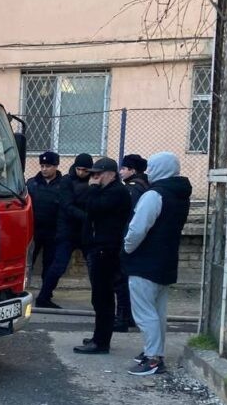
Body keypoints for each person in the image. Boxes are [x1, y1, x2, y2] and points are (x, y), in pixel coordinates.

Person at [122, 152, 192, 376]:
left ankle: (153, 359)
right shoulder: (180, 193)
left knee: (144, 312)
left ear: (160, 169)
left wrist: (127, 247)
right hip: (166, 258)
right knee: (158, 311)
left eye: (151, 168)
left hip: (145, 260)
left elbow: (138, 228)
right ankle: (155, 352)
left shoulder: (154, 195)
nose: (148, 172)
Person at [74, 157, 132, 354]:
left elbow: (94, 207)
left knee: (103, 296)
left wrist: (92, 188)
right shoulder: (104, 191)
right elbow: (83, 203)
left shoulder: (117, 192)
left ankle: (101, 342)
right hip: (98, 247)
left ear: (112, 174)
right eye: (93, 173)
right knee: (99, 297)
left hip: (106, 249)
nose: (95, 177)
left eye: (99, 173)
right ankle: (99, 336)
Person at [35, 152, 93, 308]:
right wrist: (88, 217)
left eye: (85, 170)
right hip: (67, 231)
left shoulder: (92, 181)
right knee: (58, 266)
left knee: (94, 267)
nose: (81, 172)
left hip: (84, 232)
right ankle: (43, 297)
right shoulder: (67, 181)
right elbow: (67, 206)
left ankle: (99, 300)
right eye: (79, 169)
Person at [113, 154, 150, 331]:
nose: (120, 172)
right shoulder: (142, 186)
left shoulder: (133, 188)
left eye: (124, 169)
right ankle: (127, 317)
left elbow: (126, 215)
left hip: (127, 238)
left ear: (132, 170)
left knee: (121, 280)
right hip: (133, 239)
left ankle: (122, 318)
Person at [26, 150, 63, 292]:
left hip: (53, 231)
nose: (44, 169)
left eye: (47, 166)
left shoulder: (63, 184)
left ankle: (46, 292)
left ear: (55, 166)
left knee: (49, 263)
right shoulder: (32, 183)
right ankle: (23, 288)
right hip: (34, 230)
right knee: (29, 261)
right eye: (42, 166)